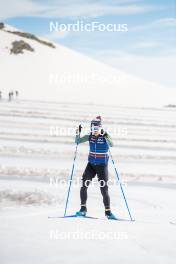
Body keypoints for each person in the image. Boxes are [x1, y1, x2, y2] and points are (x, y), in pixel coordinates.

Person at [75, 116, 117, 220]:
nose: (94, 131)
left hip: (102, 166)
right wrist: (77, 132)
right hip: (91, 165)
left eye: (96, 129)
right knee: (84, 185)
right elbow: (77, 141)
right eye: (93, 129)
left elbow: (112, 144)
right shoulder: (89, 136)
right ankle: (83, 210)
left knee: (104, 189)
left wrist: (106, 135)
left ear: (100, 128)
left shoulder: (104, 136)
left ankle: (108, 212)